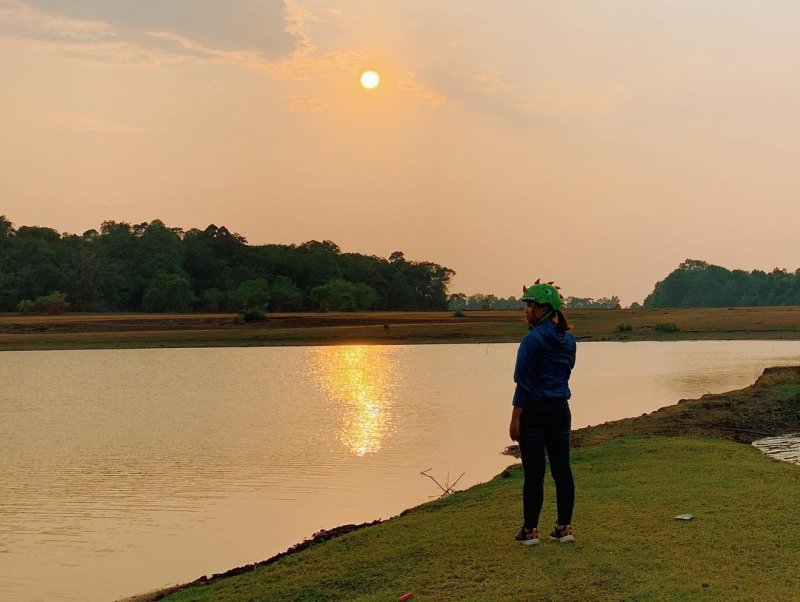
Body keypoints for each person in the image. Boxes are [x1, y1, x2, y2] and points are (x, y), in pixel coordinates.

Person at [509, 280, 577, 545]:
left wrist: (515, 419)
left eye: (530, 305)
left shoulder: (531, 340)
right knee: (562, 469)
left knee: (534, 473)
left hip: (535, 412)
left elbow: (523, 384)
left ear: (543, 309)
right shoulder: (568, 341)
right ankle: (563, 528)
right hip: (561, 409)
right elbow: (566, 371)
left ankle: (530, 531)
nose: (526, 311)